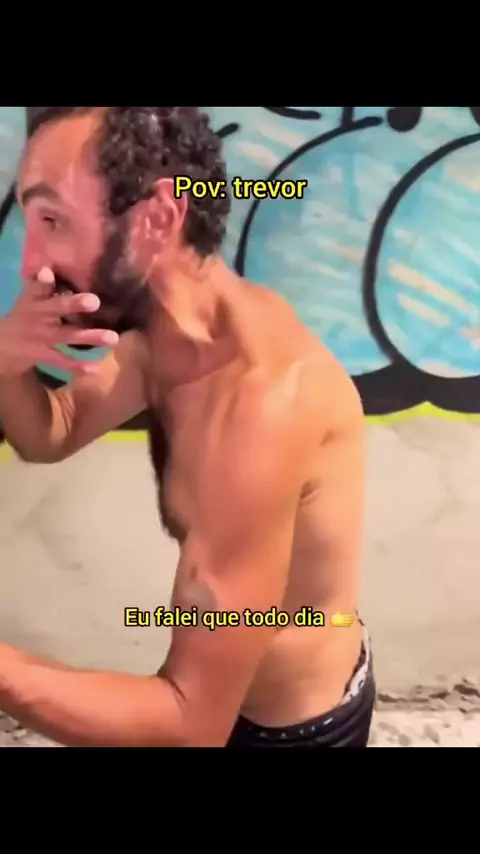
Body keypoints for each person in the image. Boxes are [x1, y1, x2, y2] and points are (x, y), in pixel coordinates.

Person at [0, 107, 375, 748]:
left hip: (293, 734)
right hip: (216, 706)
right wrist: (7, 361)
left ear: (157, 220)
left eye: (54, 220)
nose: (31, 262)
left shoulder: (265, 402)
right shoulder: (166, 338)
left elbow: (187, 721)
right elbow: (50, 432)